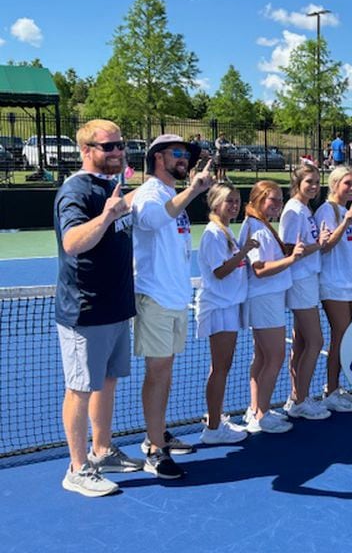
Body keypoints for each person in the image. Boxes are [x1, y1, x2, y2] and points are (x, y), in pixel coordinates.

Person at [55, 119, 143, 497]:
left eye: (120, 145)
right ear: (87, 150)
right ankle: (77, 468)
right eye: (108, 147)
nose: (117, 152)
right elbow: (73, 242)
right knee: (79, 388)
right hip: (85, 310)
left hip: (116, 307)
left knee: (107, 382)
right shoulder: (74, 191)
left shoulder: (111, 186)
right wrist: (108, 215)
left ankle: (102, 450)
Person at [132, 134, 213, 480]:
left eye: (187, 155)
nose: (184, 159)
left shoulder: (169, 194)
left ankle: (158, 431)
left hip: (176, 298)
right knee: (158, 373)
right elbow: (151, 221)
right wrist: (193, 190)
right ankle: (153, 447)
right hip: (155, 298)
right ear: (157, 157)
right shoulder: (149, 193)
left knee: (166, 373)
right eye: (177, 153)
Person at [196, 183, 256, 445]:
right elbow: (220, 271)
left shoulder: (226, 231)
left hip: (229, 305)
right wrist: (244, 251)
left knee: (222, 366)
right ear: (215, 204)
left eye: (236, 201)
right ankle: (212, 428)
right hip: (219, 307)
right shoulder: (213, 234)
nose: (233, 205)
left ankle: (216, 417)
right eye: (228, 201)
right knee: (220, 368)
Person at [239, 181, 298, 434]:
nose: (278, 204)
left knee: (263, 357)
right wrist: (292, 259)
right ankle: (261, 415)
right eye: (272, 199)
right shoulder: (257, 229)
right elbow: (260, 269)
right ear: (258, 199)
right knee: (275, 357)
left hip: (267, 299)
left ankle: (256, 409)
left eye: (280, 199)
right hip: (265, 300)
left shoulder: (260, 224)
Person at [279, 165, 332, 420]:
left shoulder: (304, 209)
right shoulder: (292, 210)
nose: (314, 186)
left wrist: (316, 245)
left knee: (301, 343)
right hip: (299, 281)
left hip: (309, 279)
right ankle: (300, 400)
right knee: (316, 342)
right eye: (309, 181)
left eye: (317, 181)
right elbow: (290, 250)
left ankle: (296, 396)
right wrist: (318, 245)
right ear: (297, 182)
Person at [316, 166, 352, 413]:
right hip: (333, 283)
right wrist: (345, 223)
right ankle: (330, 390)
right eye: (347, 183)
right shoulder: (328, 210)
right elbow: (325, 247)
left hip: (351, 283)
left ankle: (335, 386)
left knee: (344, 337)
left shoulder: (348, 210)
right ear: (335, 185)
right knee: (339, 335)